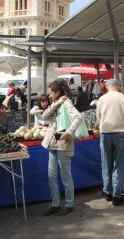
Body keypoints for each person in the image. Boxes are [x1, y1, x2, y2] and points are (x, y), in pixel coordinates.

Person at [41, 79, 83, 217]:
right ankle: (55, 204)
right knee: (51, 175)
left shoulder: (67, 102)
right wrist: (55, 104)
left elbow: (78, 117)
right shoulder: (56, 102)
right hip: (52, 143)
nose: (49, 94)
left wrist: (68, 132)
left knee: (65, 176)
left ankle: (69, 204)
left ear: (57, 91)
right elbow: (44, 116)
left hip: (63, 143)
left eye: (51, 92)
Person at [96, 79, 124, 206]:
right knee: (118, 164)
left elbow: (98, 118)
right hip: (120, 133)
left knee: (106, 163)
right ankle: (117, 195)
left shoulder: (101, 99)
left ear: (108, 87)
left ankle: (107, 192)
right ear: (118, 87)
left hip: (105, 134)